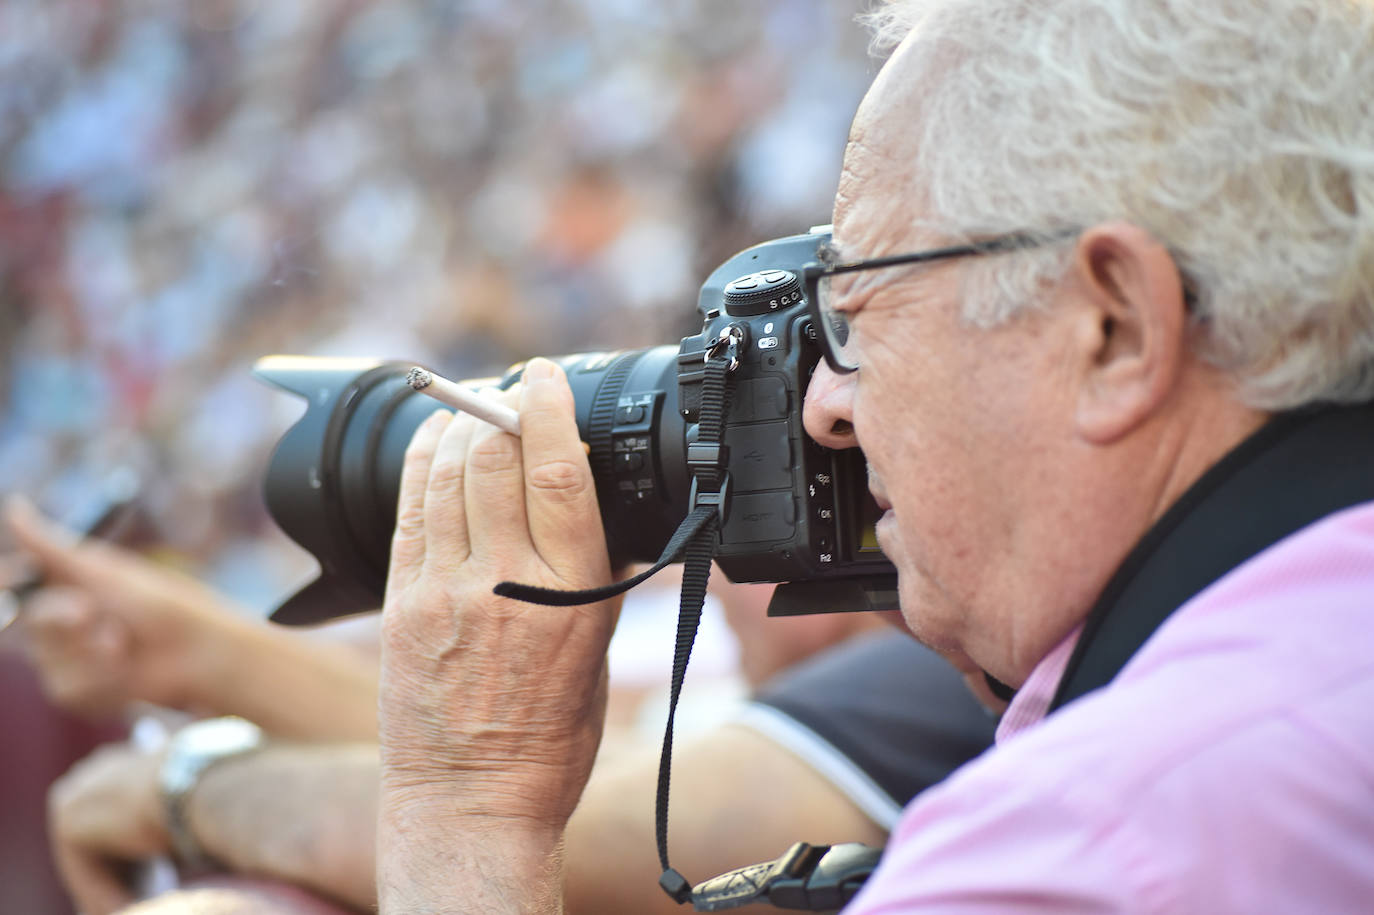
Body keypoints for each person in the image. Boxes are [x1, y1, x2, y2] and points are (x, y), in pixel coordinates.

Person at [374, 0, 1374, 911]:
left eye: (853, 315)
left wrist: (466, 809)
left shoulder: (1084, 844)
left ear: (1111, 328)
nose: (824, 408)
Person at [3, 501, 996, 914]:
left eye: (723, 512)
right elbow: (528, 767)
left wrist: (193, 783)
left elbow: (549, 824)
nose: (698, 558)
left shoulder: (922, 684)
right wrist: (191, 652)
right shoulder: (824, 702)